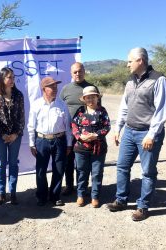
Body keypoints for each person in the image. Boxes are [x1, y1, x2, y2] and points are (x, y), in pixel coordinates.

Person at [106, 48, 166, 221]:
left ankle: (143, 206)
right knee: (122, 166)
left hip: (147, 133)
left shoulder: (159, 80)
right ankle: (121, 200)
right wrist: (118, 128)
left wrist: (152, 135)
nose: (127, 64)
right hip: (129, 131)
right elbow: (124, 107)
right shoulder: (130, 81)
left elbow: (161, 111)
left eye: (130, 61)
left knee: (147, 171)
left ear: (140, 61)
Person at [28, 76, 72, 206]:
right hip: (42, 140)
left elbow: (67, 126)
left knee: (58, 169)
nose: (55, 89)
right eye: (51, 86)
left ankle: (54, 195)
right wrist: (31, 143)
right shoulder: (36, 105)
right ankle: (41, 195)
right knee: (41, 170)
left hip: (60, 140)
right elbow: (31, 126)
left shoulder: (62, 105)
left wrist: (69, 144)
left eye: (56, 86)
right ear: (44, 89)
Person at [59, 62, 99, 195]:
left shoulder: (92, 88)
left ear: (84, 71)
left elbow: (99, 110)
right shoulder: (66, 89)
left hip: (87, 133)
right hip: (69, 132)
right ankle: (69, 186)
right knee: (68, 160)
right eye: (75, 72)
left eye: (80, 71)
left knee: (83, 163)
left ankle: (82, 187)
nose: (78, 74)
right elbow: (59, 107)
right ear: (71, 73)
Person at [0, 67, 25, 205]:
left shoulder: (18, 95)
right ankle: (1, 193)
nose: (12, 80)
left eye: (13, 77)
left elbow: (21, 117)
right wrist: (3, 134)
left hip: (16, 136)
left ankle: (13, 192)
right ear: (2, 79)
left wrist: (15, 134)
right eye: (9, 77)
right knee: (1, 164)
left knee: (13, 163)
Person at [71, 86, 111, 208]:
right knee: (82, 172)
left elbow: (107, 126)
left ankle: (95, 196)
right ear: (84, 99)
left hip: (98, 148)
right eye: (88, 97)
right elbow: (74, 125)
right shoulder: (80, 111)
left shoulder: (102, 111)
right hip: (81, 148)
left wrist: (96, 135)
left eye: (93, 97)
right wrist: (79, 136)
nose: (90, 100)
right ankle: (81, 195)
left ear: (97, 98)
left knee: (97, 173)